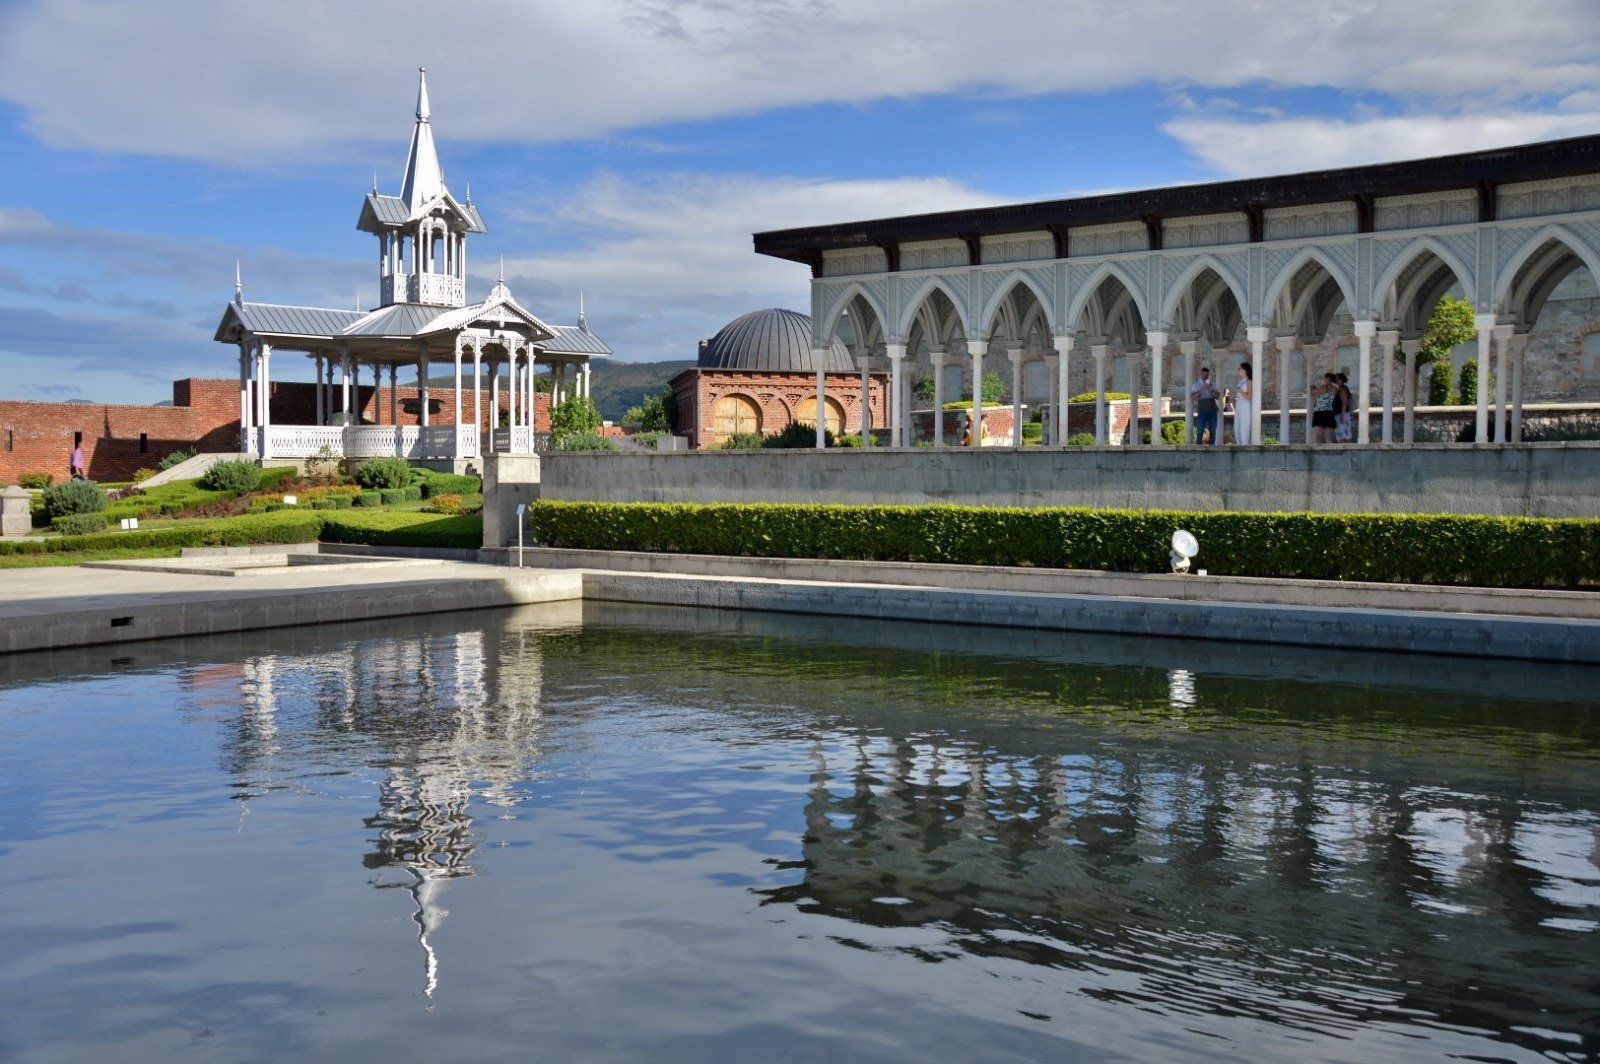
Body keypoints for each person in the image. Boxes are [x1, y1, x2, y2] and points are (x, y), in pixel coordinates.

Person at [1190, 366, 1221, 445]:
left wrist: (1212, 390)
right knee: (1200, 431)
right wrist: (1202, 390)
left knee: (1213, 431)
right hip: (1202, 410)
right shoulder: (1196, 384)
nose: (1205, 377)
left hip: (1212, 410)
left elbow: (1217, 397)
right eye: (1203, 375)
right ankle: (1198, 447)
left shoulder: (1213, 383)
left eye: (1207, 375)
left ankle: (1212, 448)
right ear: (1201, 374)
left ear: (1208, 375)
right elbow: (1192, 397)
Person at [1227, 363, 1254, 444]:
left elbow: (1249, 396)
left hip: (1245, 405)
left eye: (1240, 368)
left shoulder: (1249, 381)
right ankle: (1239, 446)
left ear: (1245, 370)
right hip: (1239, 405)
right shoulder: (1241, 381)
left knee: (1244, 428)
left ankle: (1245, 446)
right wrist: (1234, 399)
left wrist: (1240, 391)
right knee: (1237, 428)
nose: (1238, 370)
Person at [1310, 372, 1339, 444]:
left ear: (1327, 379)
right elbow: (1325, 397)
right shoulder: (1335, 388)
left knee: (1317, 436)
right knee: (1329, 436)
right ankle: (1329, 452)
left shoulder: (1324, 387)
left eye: (1325, 378)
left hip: (1320, 412)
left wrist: (1311, 389)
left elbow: (1313, 396)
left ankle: (1317, 453)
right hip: (1330, 412)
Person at [1334, 372, 1354, 443]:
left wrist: (1342, 415)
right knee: (1343, 434)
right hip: (1341, 414)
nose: (1335, 380)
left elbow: (1344, 402)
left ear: (1341, 380)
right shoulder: (1340, 389)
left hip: (1342, 414)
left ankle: (1343, 451)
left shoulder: (1343, 389)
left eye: (1336, 378)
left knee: (1342, 435)